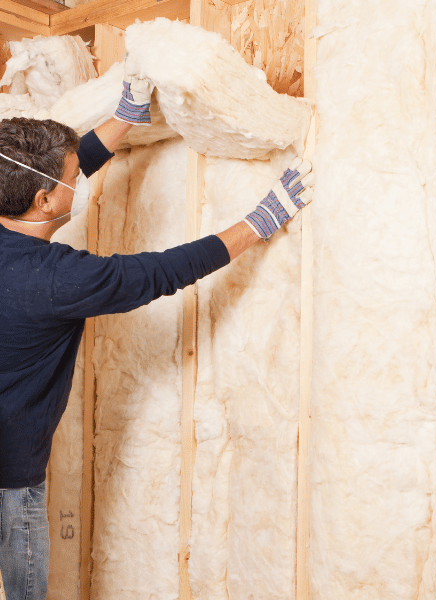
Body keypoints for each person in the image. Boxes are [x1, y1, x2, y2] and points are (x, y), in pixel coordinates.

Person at [0, 74, 313, 600]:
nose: (80, 179)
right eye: (73, 177)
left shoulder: (21, 214)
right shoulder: (57, 279)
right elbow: (162, 271)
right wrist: (259, 221)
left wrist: (125, 118)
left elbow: (52, 179)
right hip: (11, 473)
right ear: (44, 200)